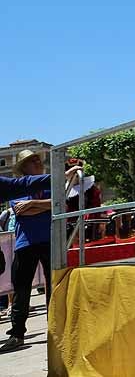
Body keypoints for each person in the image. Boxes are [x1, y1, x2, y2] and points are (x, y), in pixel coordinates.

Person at [1, 150, 52, 353]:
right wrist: (45, 206)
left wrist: (32, 203)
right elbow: (20, 209)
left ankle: (55, 327)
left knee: (53, 285)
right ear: (24, 167)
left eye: (38, 159)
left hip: (49, 240)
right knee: (21, 290)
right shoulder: (17, 187)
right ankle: (17, 334)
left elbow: (59, 203)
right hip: (25, 243)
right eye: (32, 160)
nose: (38, 162)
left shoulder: (47, 184)